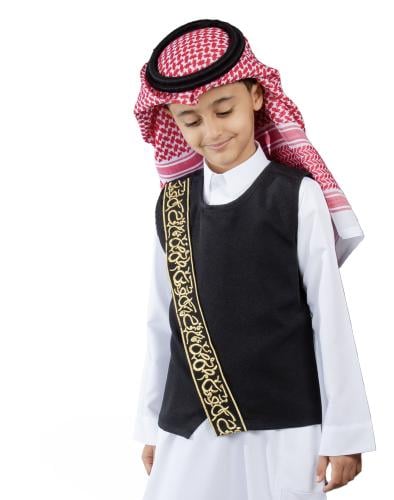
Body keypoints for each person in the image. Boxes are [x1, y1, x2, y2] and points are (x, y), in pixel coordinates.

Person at [132, 18, 376, 500]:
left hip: (286, 427)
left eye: (224, 110)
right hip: (191, 427)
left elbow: (328, 316)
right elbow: (162, 320)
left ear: (257, 97)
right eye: (191, 121)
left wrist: (344, 433)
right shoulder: (172, 205)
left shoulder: (296, 196)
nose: (212, 131)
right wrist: (151, 421)